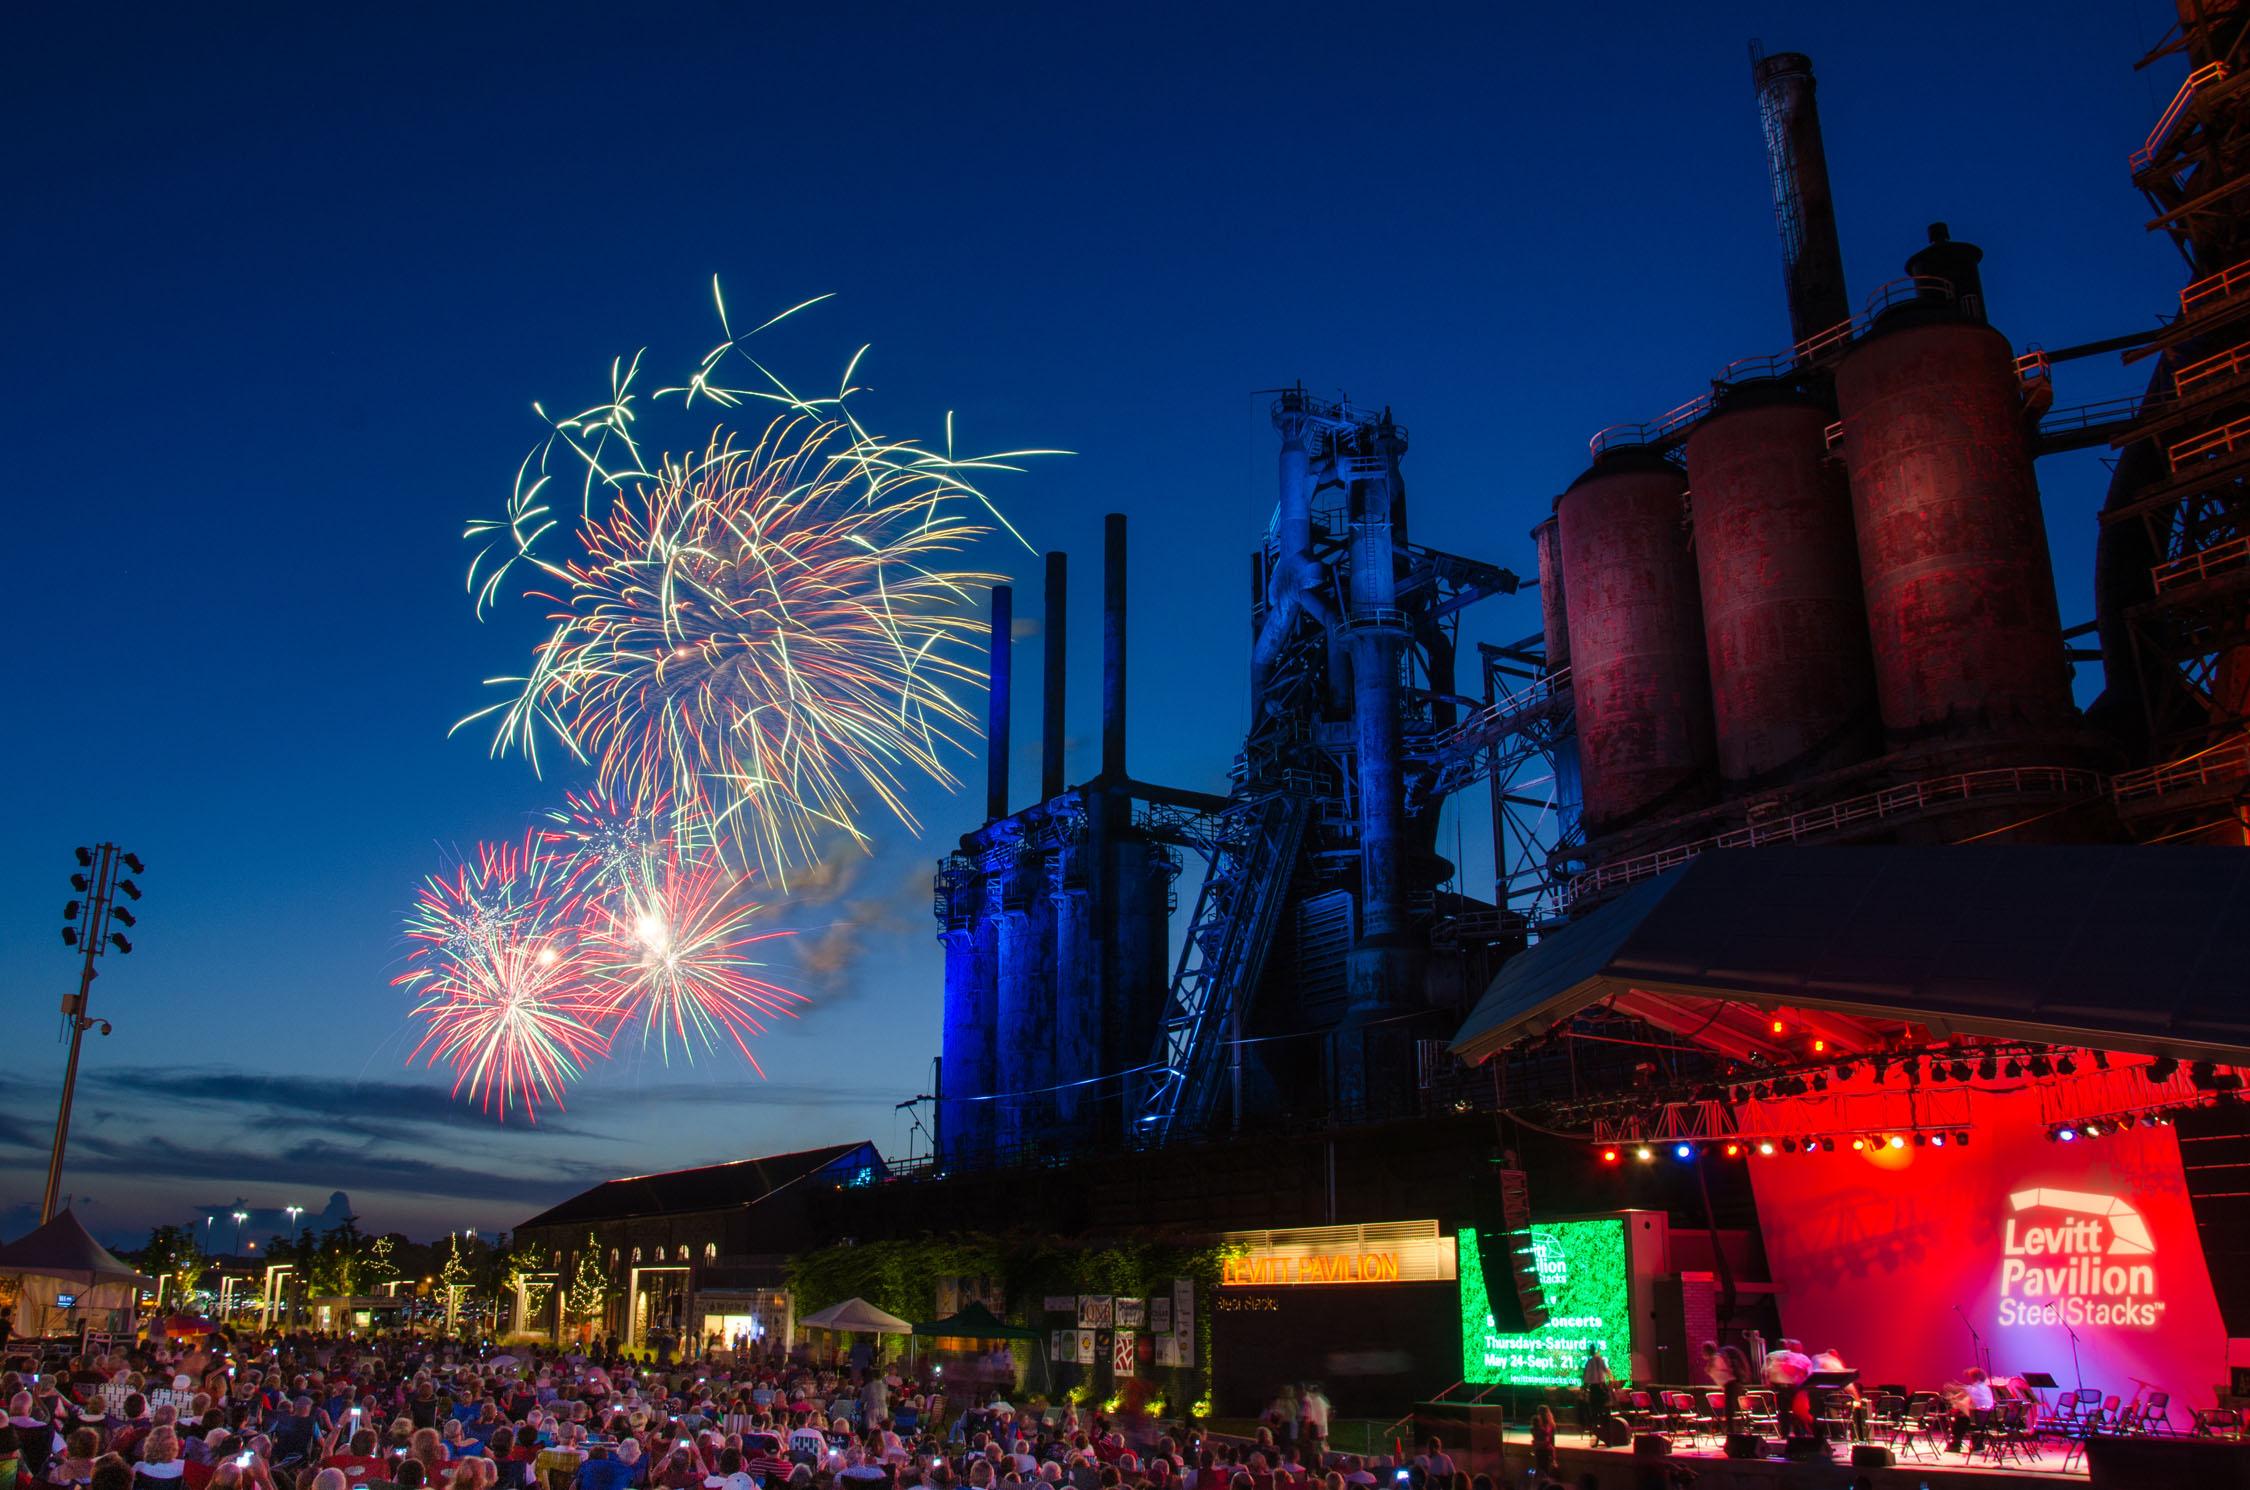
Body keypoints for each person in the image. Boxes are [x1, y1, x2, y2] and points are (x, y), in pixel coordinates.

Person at [1944, 1369, 1995, 1454]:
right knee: (1964, 1416)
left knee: (1960, 1420)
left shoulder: (1974, 1388)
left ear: (1975, 1378)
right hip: (1987, 1419)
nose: (1970, 1380)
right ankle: (1978, 1445)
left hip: (1978, 1419)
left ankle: (1955, 1445)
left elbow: (1958, 1390)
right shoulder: (1986, 1388)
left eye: (1971, 1377)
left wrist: (1951, 1389)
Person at [1579, 1352, 1614, 1436]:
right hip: (1599, 1389)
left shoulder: (1589, 1362)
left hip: (1595, 1390)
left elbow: (1585, 1377)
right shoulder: (1599, 1360)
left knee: (1594, 1411)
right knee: (1602, 1410)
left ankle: (1597, 1429)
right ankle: (1603, 1429)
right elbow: (1607, 1371)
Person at [1528, 1407, 1557, 1479]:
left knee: (1542, 1468)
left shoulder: (1545, 1425)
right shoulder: (1543, 1425)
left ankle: (1543, 1481)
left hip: (1543, 1449)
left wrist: (1536, 1443)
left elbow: (1547, 1439)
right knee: (1543, 1468)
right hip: (1544, 1448)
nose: (1539, 1414)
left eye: (1539, 1413)